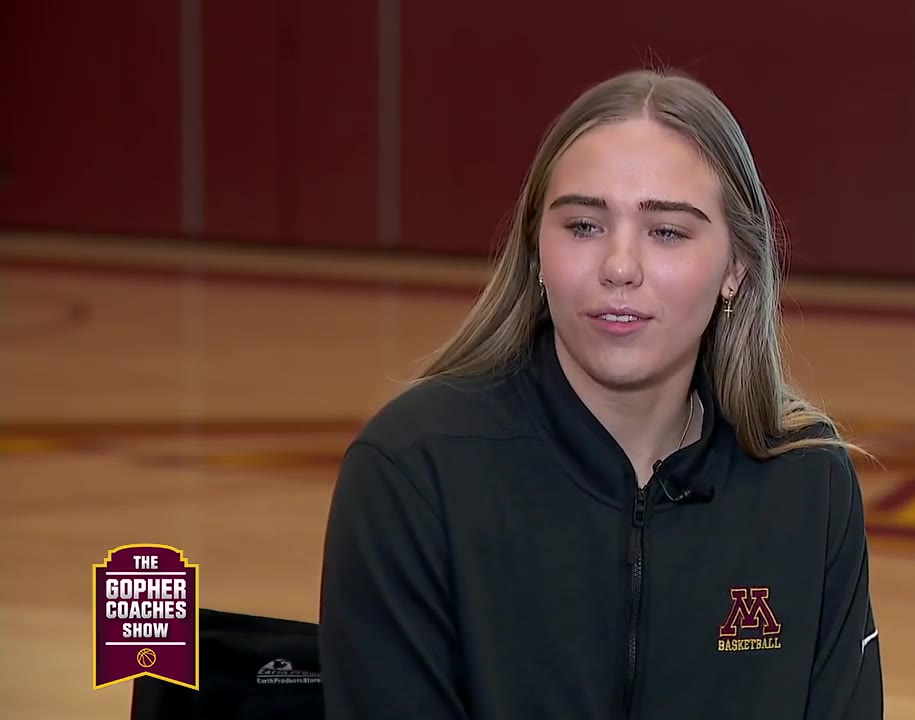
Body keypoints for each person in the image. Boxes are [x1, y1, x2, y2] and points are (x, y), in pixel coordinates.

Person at [317, 68, 882, 719]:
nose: (619, 266)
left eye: (667, 231)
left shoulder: (808, 482)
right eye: (584, 225)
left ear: (736, 267)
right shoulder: (414, 471)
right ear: (536, 250)